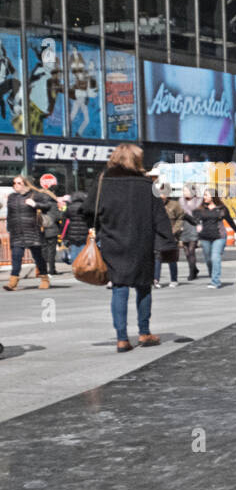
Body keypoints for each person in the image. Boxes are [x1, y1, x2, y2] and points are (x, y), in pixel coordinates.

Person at [84, 145, 173, 351]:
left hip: (112, 241)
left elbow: (88, 210)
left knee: (119, 287)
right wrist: (168, 243)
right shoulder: (146, 184)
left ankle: (122, 338)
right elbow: (160, 217)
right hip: (141, 243)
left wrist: (100, 225)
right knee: (143, 287)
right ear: (136, 160)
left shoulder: (102, 182)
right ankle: (144, 333)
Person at [4, 175, 54, 290]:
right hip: (17, 232)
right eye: (14, 183)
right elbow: (10, 214)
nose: (15, 185)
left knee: (38, 257)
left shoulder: (34, 195)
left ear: (25, 184)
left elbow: (48, 205)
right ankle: (13, 282)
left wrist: (35, 204)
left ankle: (44, 278)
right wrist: (9, 227)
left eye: (18, 183)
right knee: (16, 257)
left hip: (32, 231)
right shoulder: (12, 197)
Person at [191, 188, 236, 287]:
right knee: (208, 259)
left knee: (215, 257)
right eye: (204, 195)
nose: (204, 197)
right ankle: (213, 274)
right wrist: (197, 223)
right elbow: (193, 217)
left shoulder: (222, 208)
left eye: (206, 195)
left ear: (213, 196)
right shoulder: (201, 208)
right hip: (205, 237)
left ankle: (215, 281)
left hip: (219, 236)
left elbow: (230, 221)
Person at [153, 173, 184, 287]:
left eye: (164, 193)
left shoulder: (175, 205)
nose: (162, 195)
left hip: (171, 235)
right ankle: (156, 279)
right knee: (157, 256)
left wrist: (175, 230)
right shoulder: (155, 204)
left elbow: (181, 218)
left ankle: (174, 279)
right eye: (160, 193)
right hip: (158, 235)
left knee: (171, 257)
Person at [178, 186, 201, 280]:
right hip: (184, 227)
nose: (184, 192)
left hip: (195, 227)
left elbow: (200, 213)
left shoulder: (198, 201)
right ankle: (194, 268)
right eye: (183, 190)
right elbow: (180, 213)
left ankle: (192, 273)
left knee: (191, 251)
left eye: (186, 190)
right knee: (186, 252)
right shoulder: (180, 201)